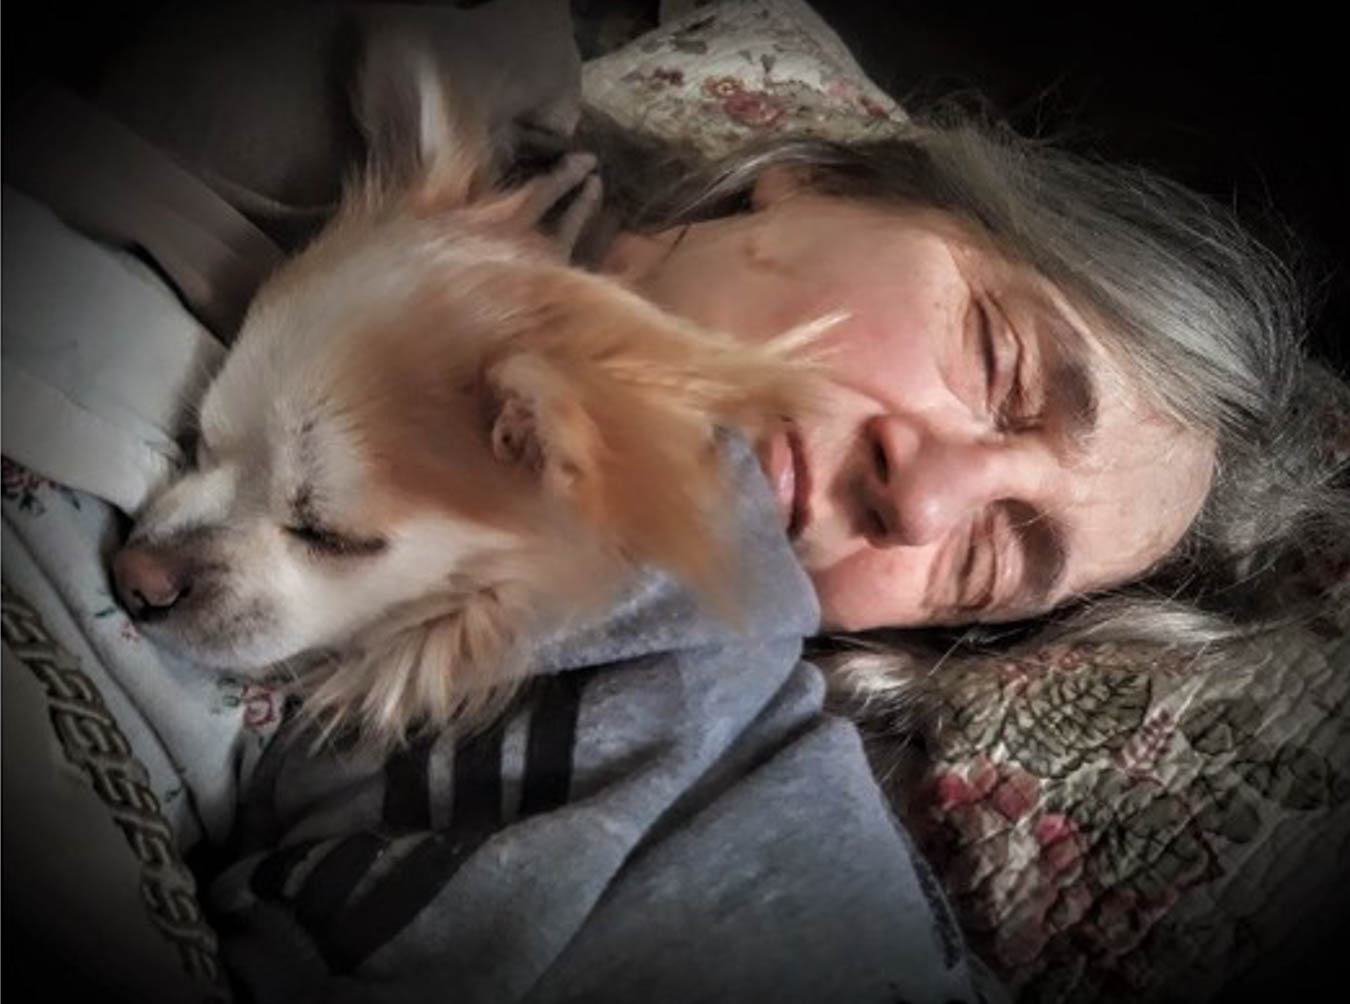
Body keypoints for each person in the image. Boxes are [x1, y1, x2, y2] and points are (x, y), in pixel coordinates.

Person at [3, 2, 1345, 1002]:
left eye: (996, 558)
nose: (922, 499)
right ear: (816, 179)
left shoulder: (715, 702)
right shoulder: (448, 76)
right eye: (998, 362)